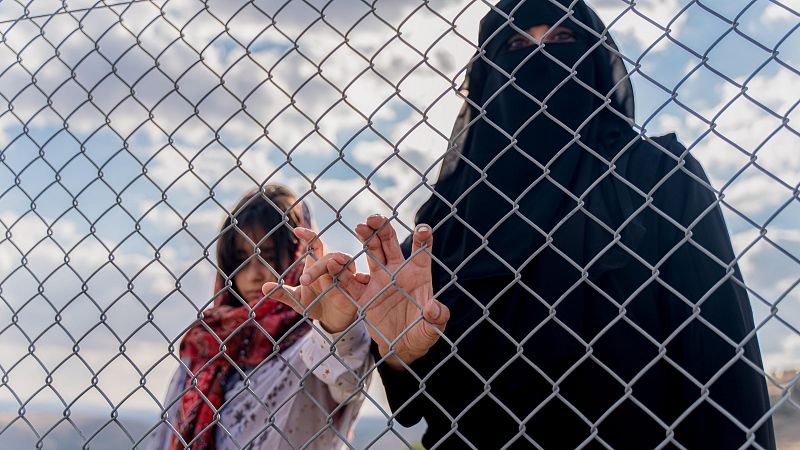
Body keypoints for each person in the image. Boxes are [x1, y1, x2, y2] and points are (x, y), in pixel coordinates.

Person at [293, 0, 776, 448]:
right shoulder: (445, 220)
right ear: (487, 77)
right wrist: (399, 354)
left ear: (593, 64)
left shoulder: (657, 177)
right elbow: (426, 400)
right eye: (518, 46)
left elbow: (723, 366)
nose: (539, 60)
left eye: (563, 41)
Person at [147, 185, 373, 450]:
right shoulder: (206, 344)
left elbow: (345, 377)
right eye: (241, 260)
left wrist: (337, 323)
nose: (254, 274)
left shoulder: (316, 341)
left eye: (267, 256)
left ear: (297, 259)